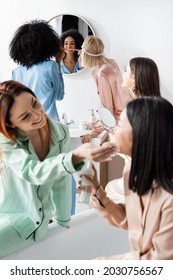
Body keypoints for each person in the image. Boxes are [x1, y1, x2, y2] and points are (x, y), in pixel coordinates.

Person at [0, 80, 115, 258]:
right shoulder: (6, 142)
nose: (37, 114)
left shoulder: (60, 132)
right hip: (11, 217)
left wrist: (63, 220)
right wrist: (75, 156)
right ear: (11, 124)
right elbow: (32, 172)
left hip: (39, 222)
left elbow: (61, 179)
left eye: (34, 103)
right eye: (25, 117)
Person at [82, 96, 173, 260]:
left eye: (119, 124)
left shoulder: (170, 201)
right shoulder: (131, 172)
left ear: (140, 134)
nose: (113, 129)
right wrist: (96, 190)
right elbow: (130, 221)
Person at [105, 57, 161, 204]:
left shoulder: (135, 109)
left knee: (109, 189)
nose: (122, 74)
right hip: (158, 177)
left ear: (135, 78)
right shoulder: (159, 106)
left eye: (125, 70)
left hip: (140, 179)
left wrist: (113, 141)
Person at [9, 19, 65, 121]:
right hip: (48, 123)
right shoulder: (51, 66)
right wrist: (58, 62)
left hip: (26, 125)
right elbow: (59, 96)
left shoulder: (16, 72)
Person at [80, 35, 132, 121]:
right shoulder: (112, 62)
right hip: (130, 113)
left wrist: (95, 132)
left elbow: (108, 109)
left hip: (120, 121)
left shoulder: (102, 74)